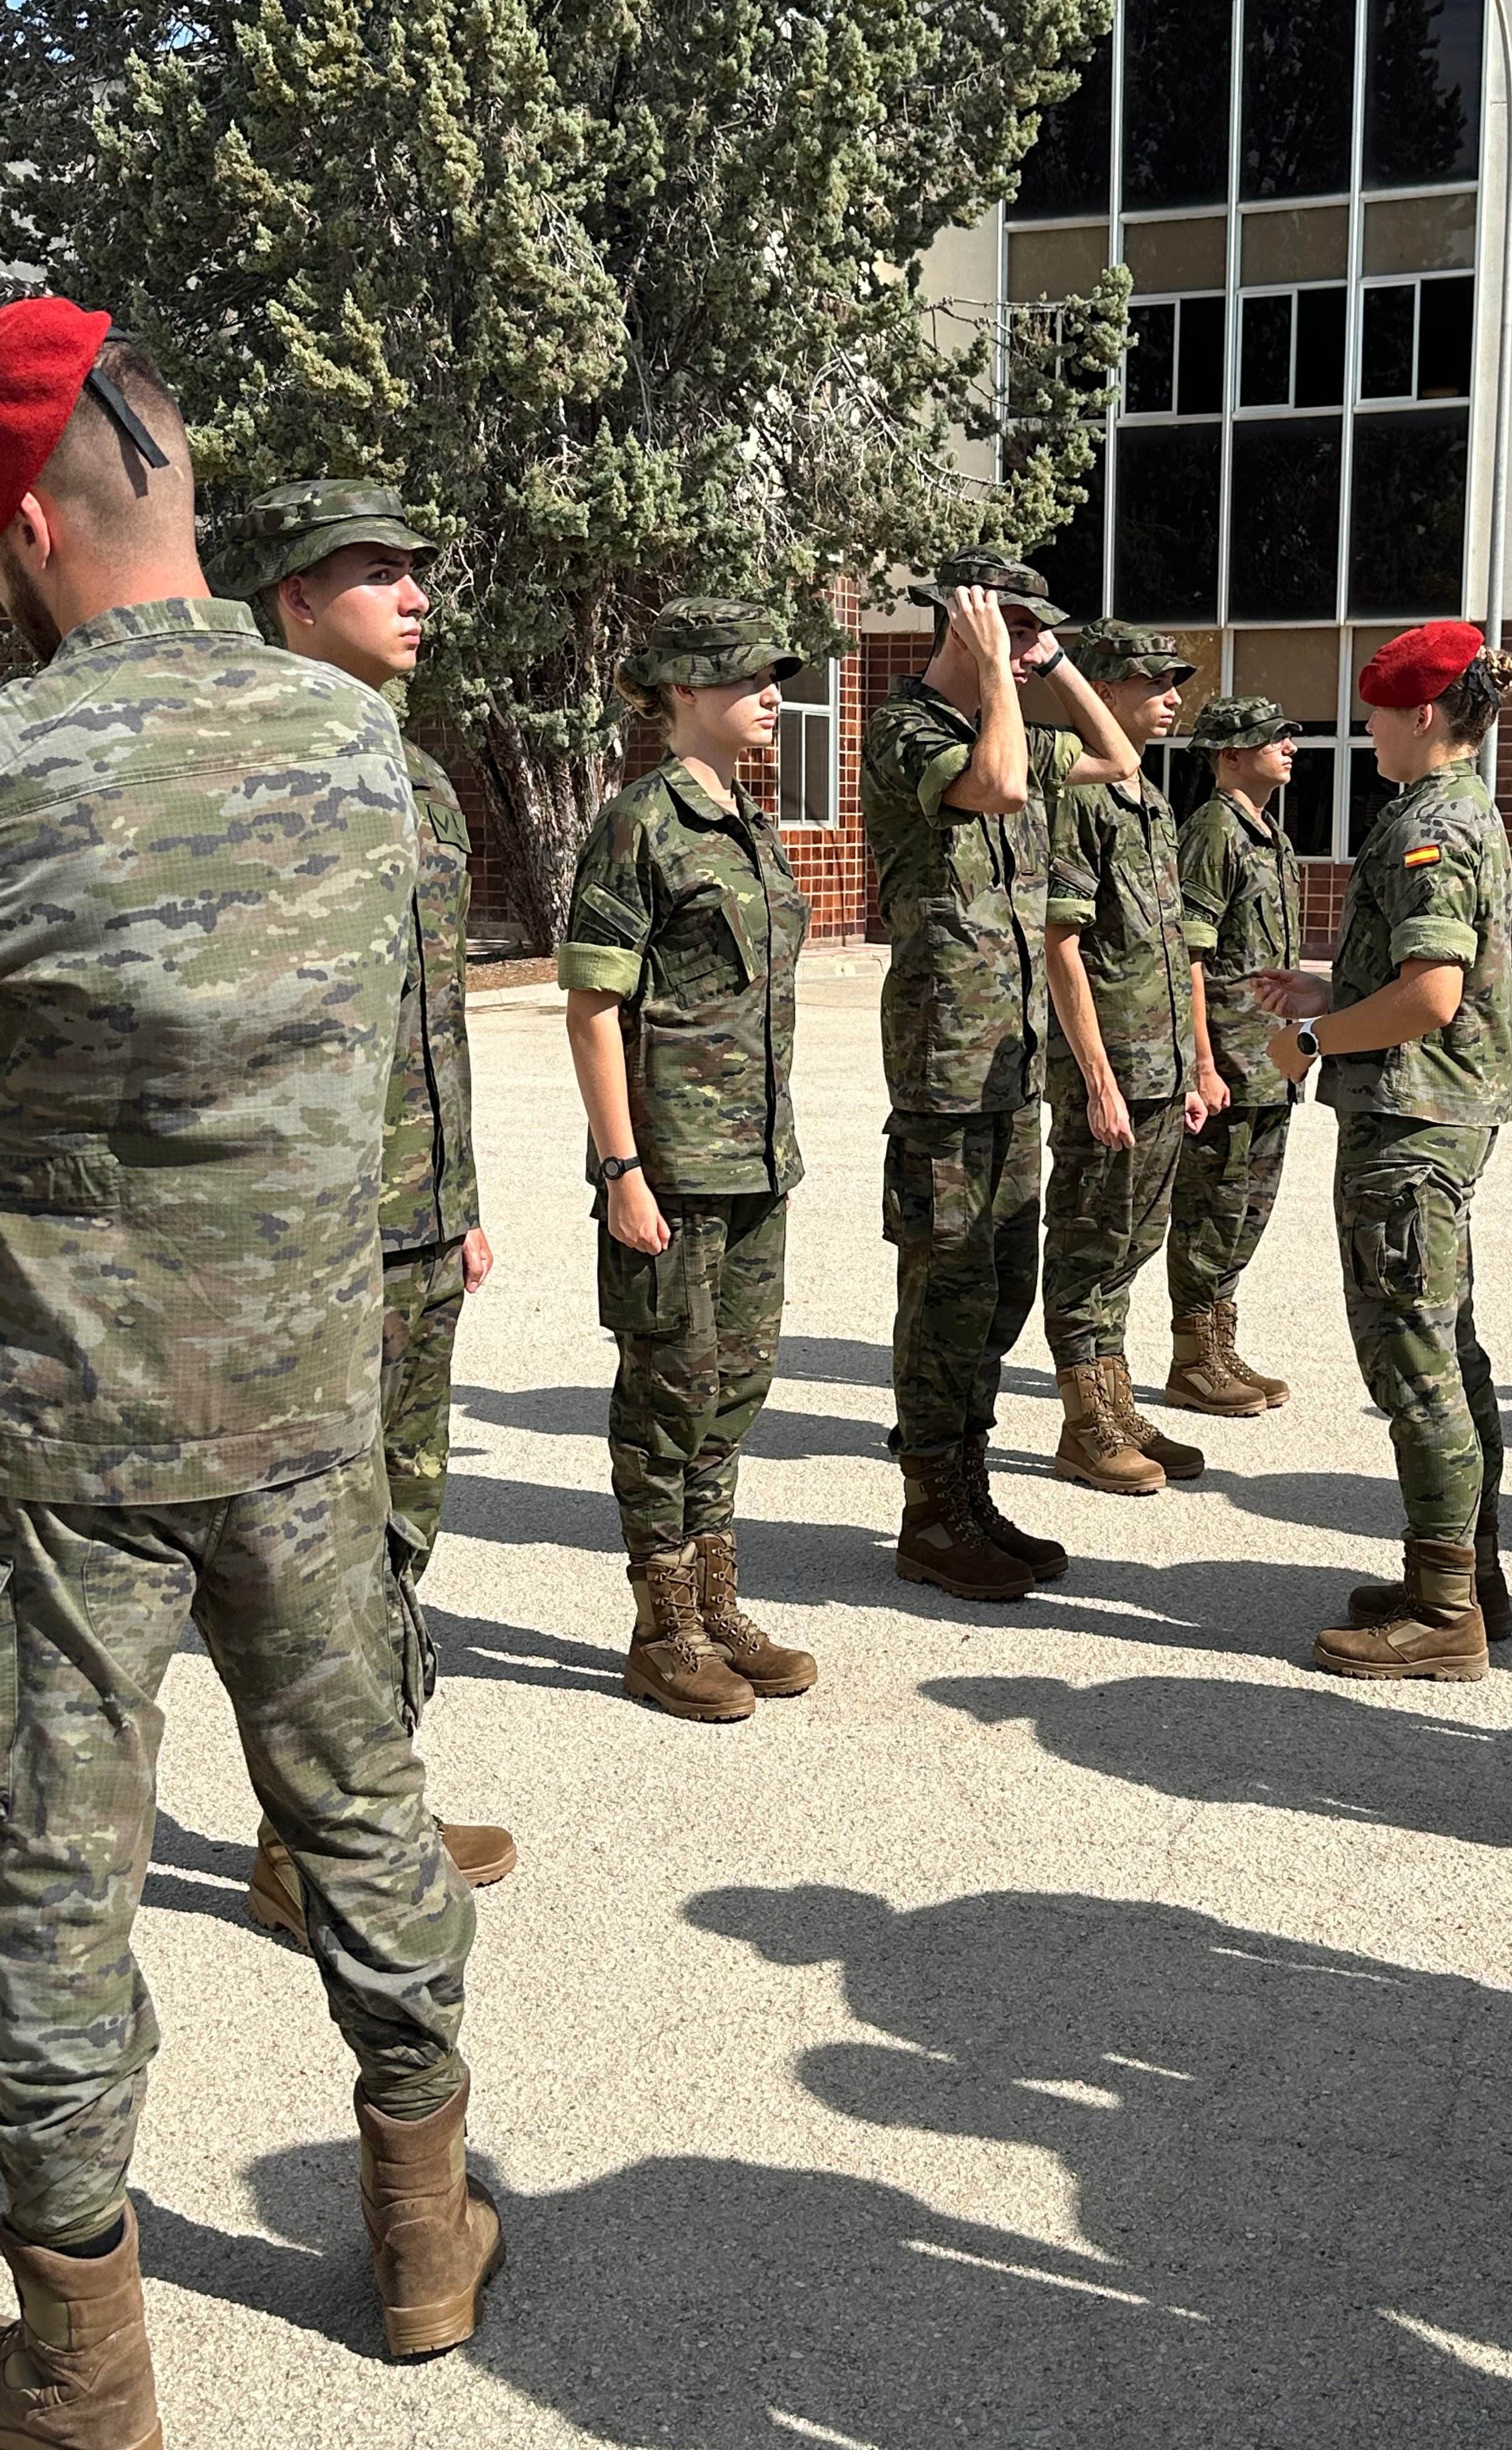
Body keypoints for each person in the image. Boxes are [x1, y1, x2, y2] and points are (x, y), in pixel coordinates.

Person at [0, 298, 499, 2440]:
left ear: (28, 526)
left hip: (64, 1438)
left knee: (49, 1878)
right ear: (184, 502)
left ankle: (83, 2377)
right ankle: (420, 2238)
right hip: (309, 1397)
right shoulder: (362, 755)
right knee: (364, 1811)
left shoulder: (14, 776)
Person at [208, 478, 515, 1937]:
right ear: (292, 598)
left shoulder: (427, 778)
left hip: (413, 1223)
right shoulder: (244, 779)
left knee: (400, 1532)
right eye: (374, 571)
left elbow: (428, 1020)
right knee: (305, 1556)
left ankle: (366, 1803)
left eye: (417, 568)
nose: (415, 595)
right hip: (303, 1245)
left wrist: (456, 1197)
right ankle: (314, 1839)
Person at [863, 550, 1140, 1598]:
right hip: (941, 1066)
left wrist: (1054, 663)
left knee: (998, 1290)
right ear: (964, 623)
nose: (1028, 650)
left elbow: (1115, 759)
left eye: (1034, 633)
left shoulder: (1007, 712)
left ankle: (969, 1495)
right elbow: (1004, 784)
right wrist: (991, 668)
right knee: (945, 1287)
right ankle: (930, 1513)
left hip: (1006, 1064)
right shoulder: (909, 733)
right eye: (1014, 629)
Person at [559, 599, 817, 1724]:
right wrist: (621, 1171)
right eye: (747, 676)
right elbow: (590, 1006)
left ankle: (715, 1601)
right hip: (669, 1165)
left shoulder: (748, 820)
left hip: (755, 1161)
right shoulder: (639, 824)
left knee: (733, 1389)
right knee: (665, 1392)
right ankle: (661, 1626)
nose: (770, 693)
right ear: (680, 694)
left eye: (774, 677)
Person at [1256, 620, 1512, 1681]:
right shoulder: (1439, 810)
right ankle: (1462, 1579)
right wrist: (1329, 994)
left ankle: (1443, 1610)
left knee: (1412, 1356)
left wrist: (1309, 1039)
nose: (1359, 728)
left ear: (1420, 713)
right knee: (1444, 1346)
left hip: (1408, 1129)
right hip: (1426, 1113)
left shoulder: (1435, 827)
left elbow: (1429, 997)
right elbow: (1411, 980)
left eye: (1370, 710)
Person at [1040, 621, 1208, 1495]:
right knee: (1084, 1244)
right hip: (1106, 1072)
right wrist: (1100, 1078)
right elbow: (1060, 945)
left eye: (1175, 681)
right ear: (1103, 691)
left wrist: (1189, 1066)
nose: (1173, 695)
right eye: (1153, 681)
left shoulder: (1151, 797)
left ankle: (1118, 1398)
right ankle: (1084, 1423)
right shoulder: (1079, 795)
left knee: (1131, 1243)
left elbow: (1169, 947)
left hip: (1159, 1069)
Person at [1165, 693, 1305, 1419]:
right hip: (1230, 1060)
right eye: (1271, 737)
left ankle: (1218, 1341)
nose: (1289, 745)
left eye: (1288, 737)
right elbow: (1189, 955)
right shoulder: (1214, 834)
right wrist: (1202, 1063)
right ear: (1228, 756)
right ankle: (1195, 1359)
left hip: (1270, 1061)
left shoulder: (1267, 835)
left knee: (1249, 1209)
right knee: (1211, 1209)